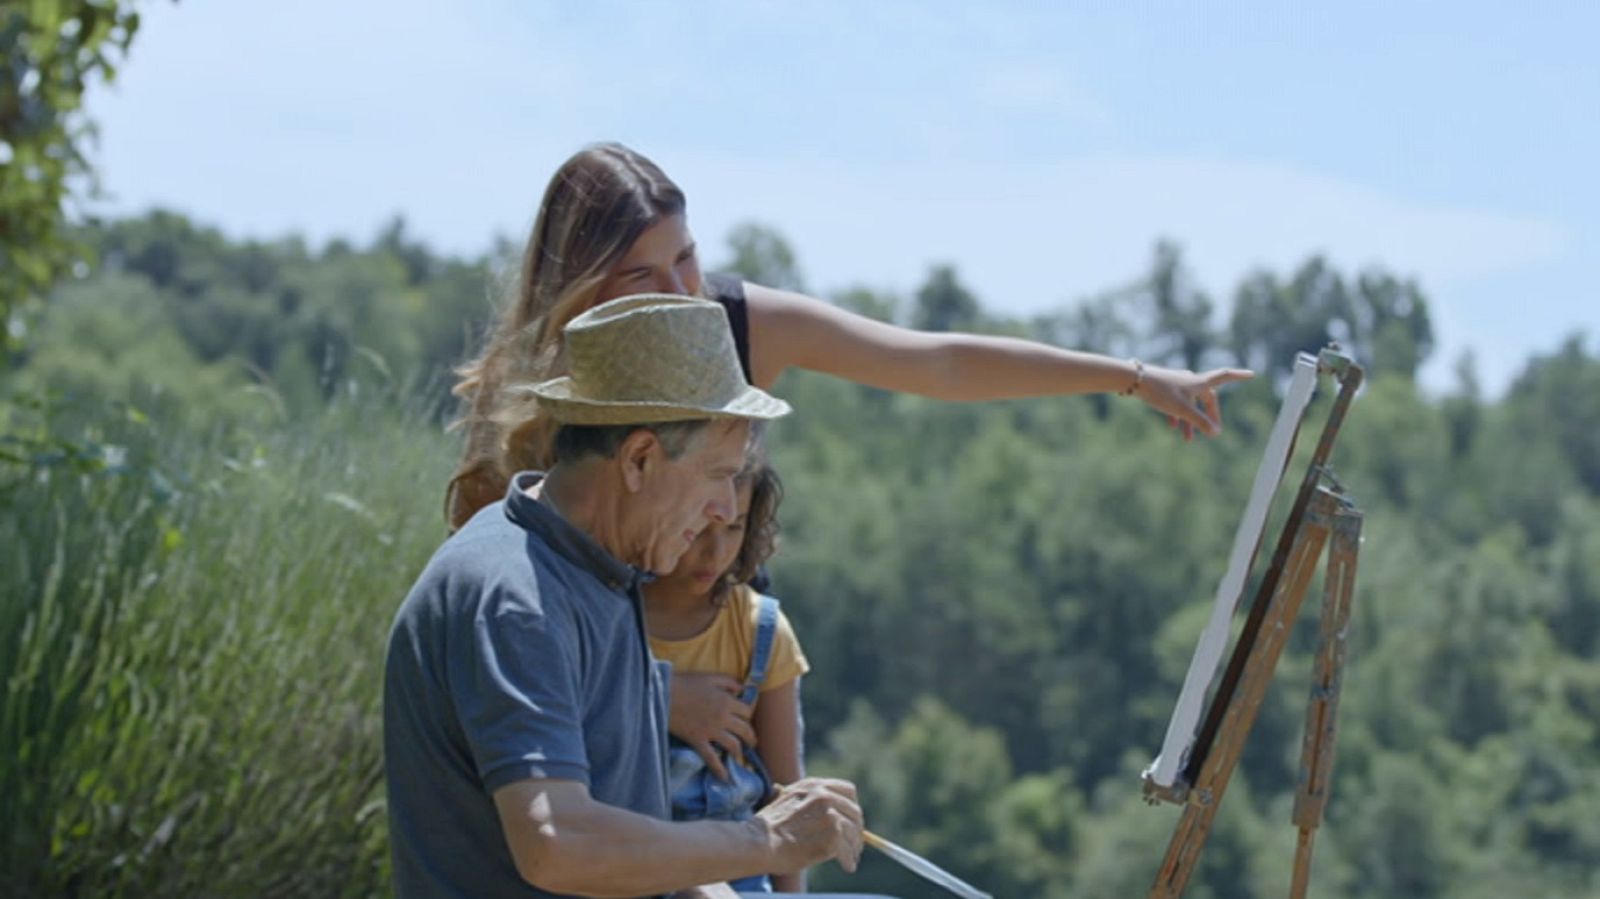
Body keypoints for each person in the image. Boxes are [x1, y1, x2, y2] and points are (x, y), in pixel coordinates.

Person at [445, 141, 1253, 532]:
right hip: (594, 719)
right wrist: (662, 698)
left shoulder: (742, 323)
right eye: (641, 275)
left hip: (729, 688)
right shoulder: (525, 399)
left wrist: (1135, 377)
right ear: (581, 288)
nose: (679, 291)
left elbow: (936, 362)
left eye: (686, 258)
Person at [384, 294, 863, 899]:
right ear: (638, 458)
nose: (724, 509)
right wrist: (766, 839)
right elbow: (559, 845)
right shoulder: (516, 595)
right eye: (718, 474)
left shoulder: (605, 568)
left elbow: (629, 842)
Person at [645, 455, 807, 894]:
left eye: (734, 529)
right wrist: (660, 698)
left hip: (740, 863)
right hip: (638, 860)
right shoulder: (608, 617)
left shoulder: (761, 632)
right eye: (699, 529)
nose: (715, 553)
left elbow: (785, 794)